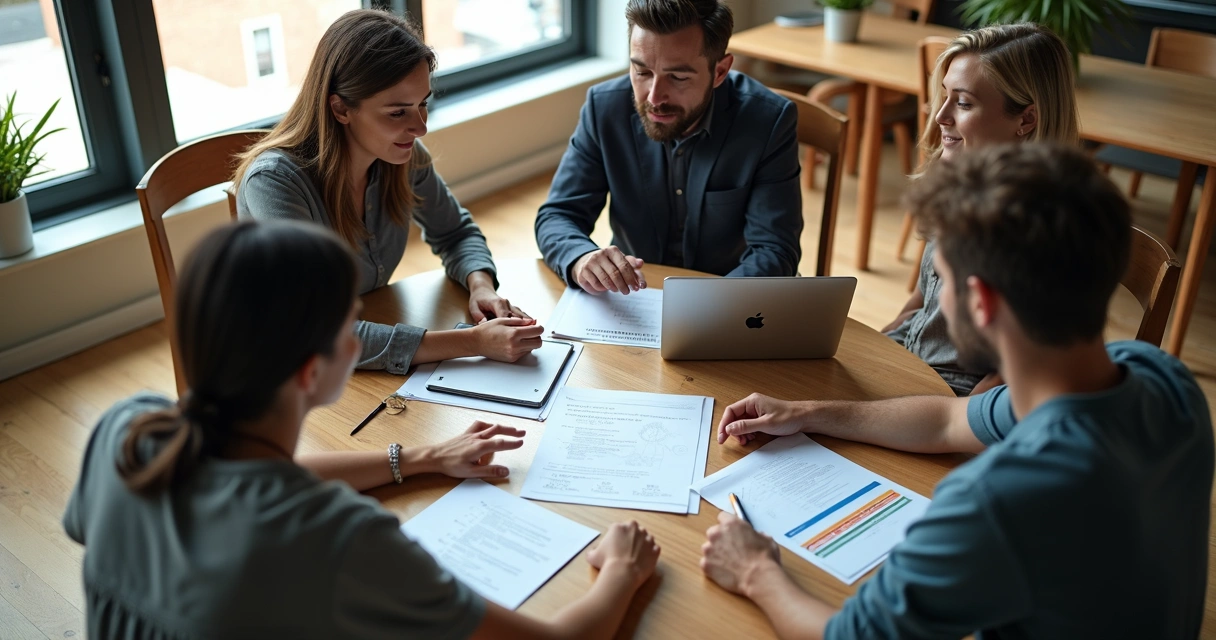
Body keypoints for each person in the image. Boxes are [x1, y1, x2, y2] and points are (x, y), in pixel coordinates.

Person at [700, 144, 1213, 638]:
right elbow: (948, 420)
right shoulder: (1160, 377)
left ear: (982, 302)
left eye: (941, 280)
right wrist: (806, 412)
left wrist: (753, 571)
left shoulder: (996, 501)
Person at [63, 220, 661, 639]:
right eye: (352, 323)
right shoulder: (339, 538)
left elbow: (254, 481)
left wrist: (421, 456)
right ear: (312, 370)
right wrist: (622, 571)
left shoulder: (127, 431)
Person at [235, 9, 541, 375]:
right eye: (398, 113)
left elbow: (455, 232)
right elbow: (320, 332)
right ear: (340, 108)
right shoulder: (274, 183)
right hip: (281, 375)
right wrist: (473, 342)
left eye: (423, 104)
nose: (420, 127)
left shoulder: (401, 158)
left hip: (363, 352)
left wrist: (481, 286)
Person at [535, 0, 802, 294]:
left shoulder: (769, 121)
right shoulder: (604, 108)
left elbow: (775, 251)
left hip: (729, 299)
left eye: (678, 77)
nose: (654, 97)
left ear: (720, 71)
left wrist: (711, 307)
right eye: (642, 72)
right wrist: (580, 257)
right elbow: (558, 215)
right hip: (633, 298)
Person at [883, 23, 1080, 396]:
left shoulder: (1041, 227)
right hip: (909, 358)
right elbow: (922, 298)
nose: (940, 116)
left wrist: (956, 422)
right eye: (944, 96)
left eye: (963, 103)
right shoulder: (957, 174)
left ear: (1026, 119)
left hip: (956, 394)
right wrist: (872, 352)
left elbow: (1013, 371)